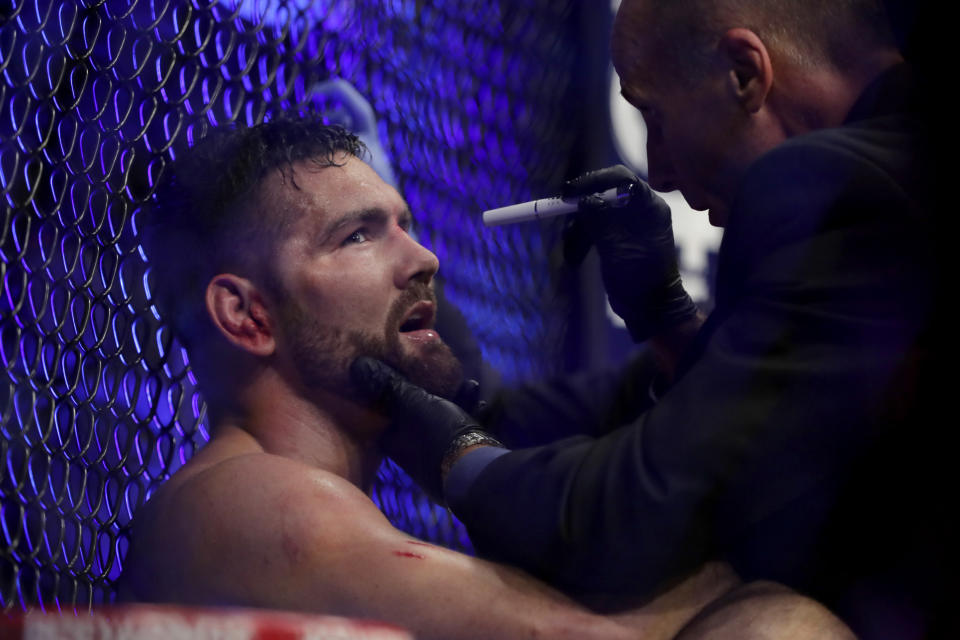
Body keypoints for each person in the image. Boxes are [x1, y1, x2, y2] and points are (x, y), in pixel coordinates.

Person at [117, 115, 855, 640]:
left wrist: (664, 316)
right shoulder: (241, 498)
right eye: (357, 235)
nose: (423, 259)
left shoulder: (326, 502)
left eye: (405, 224)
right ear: (246, 315)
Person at [351, 1, 948, 638]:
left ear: (745, 73)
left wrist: (456, 456)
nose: (657, 171)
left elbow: (634, 519)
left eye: (654, 118)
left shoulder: (842, 184)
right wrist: (665, 318)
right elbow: (753, 429)